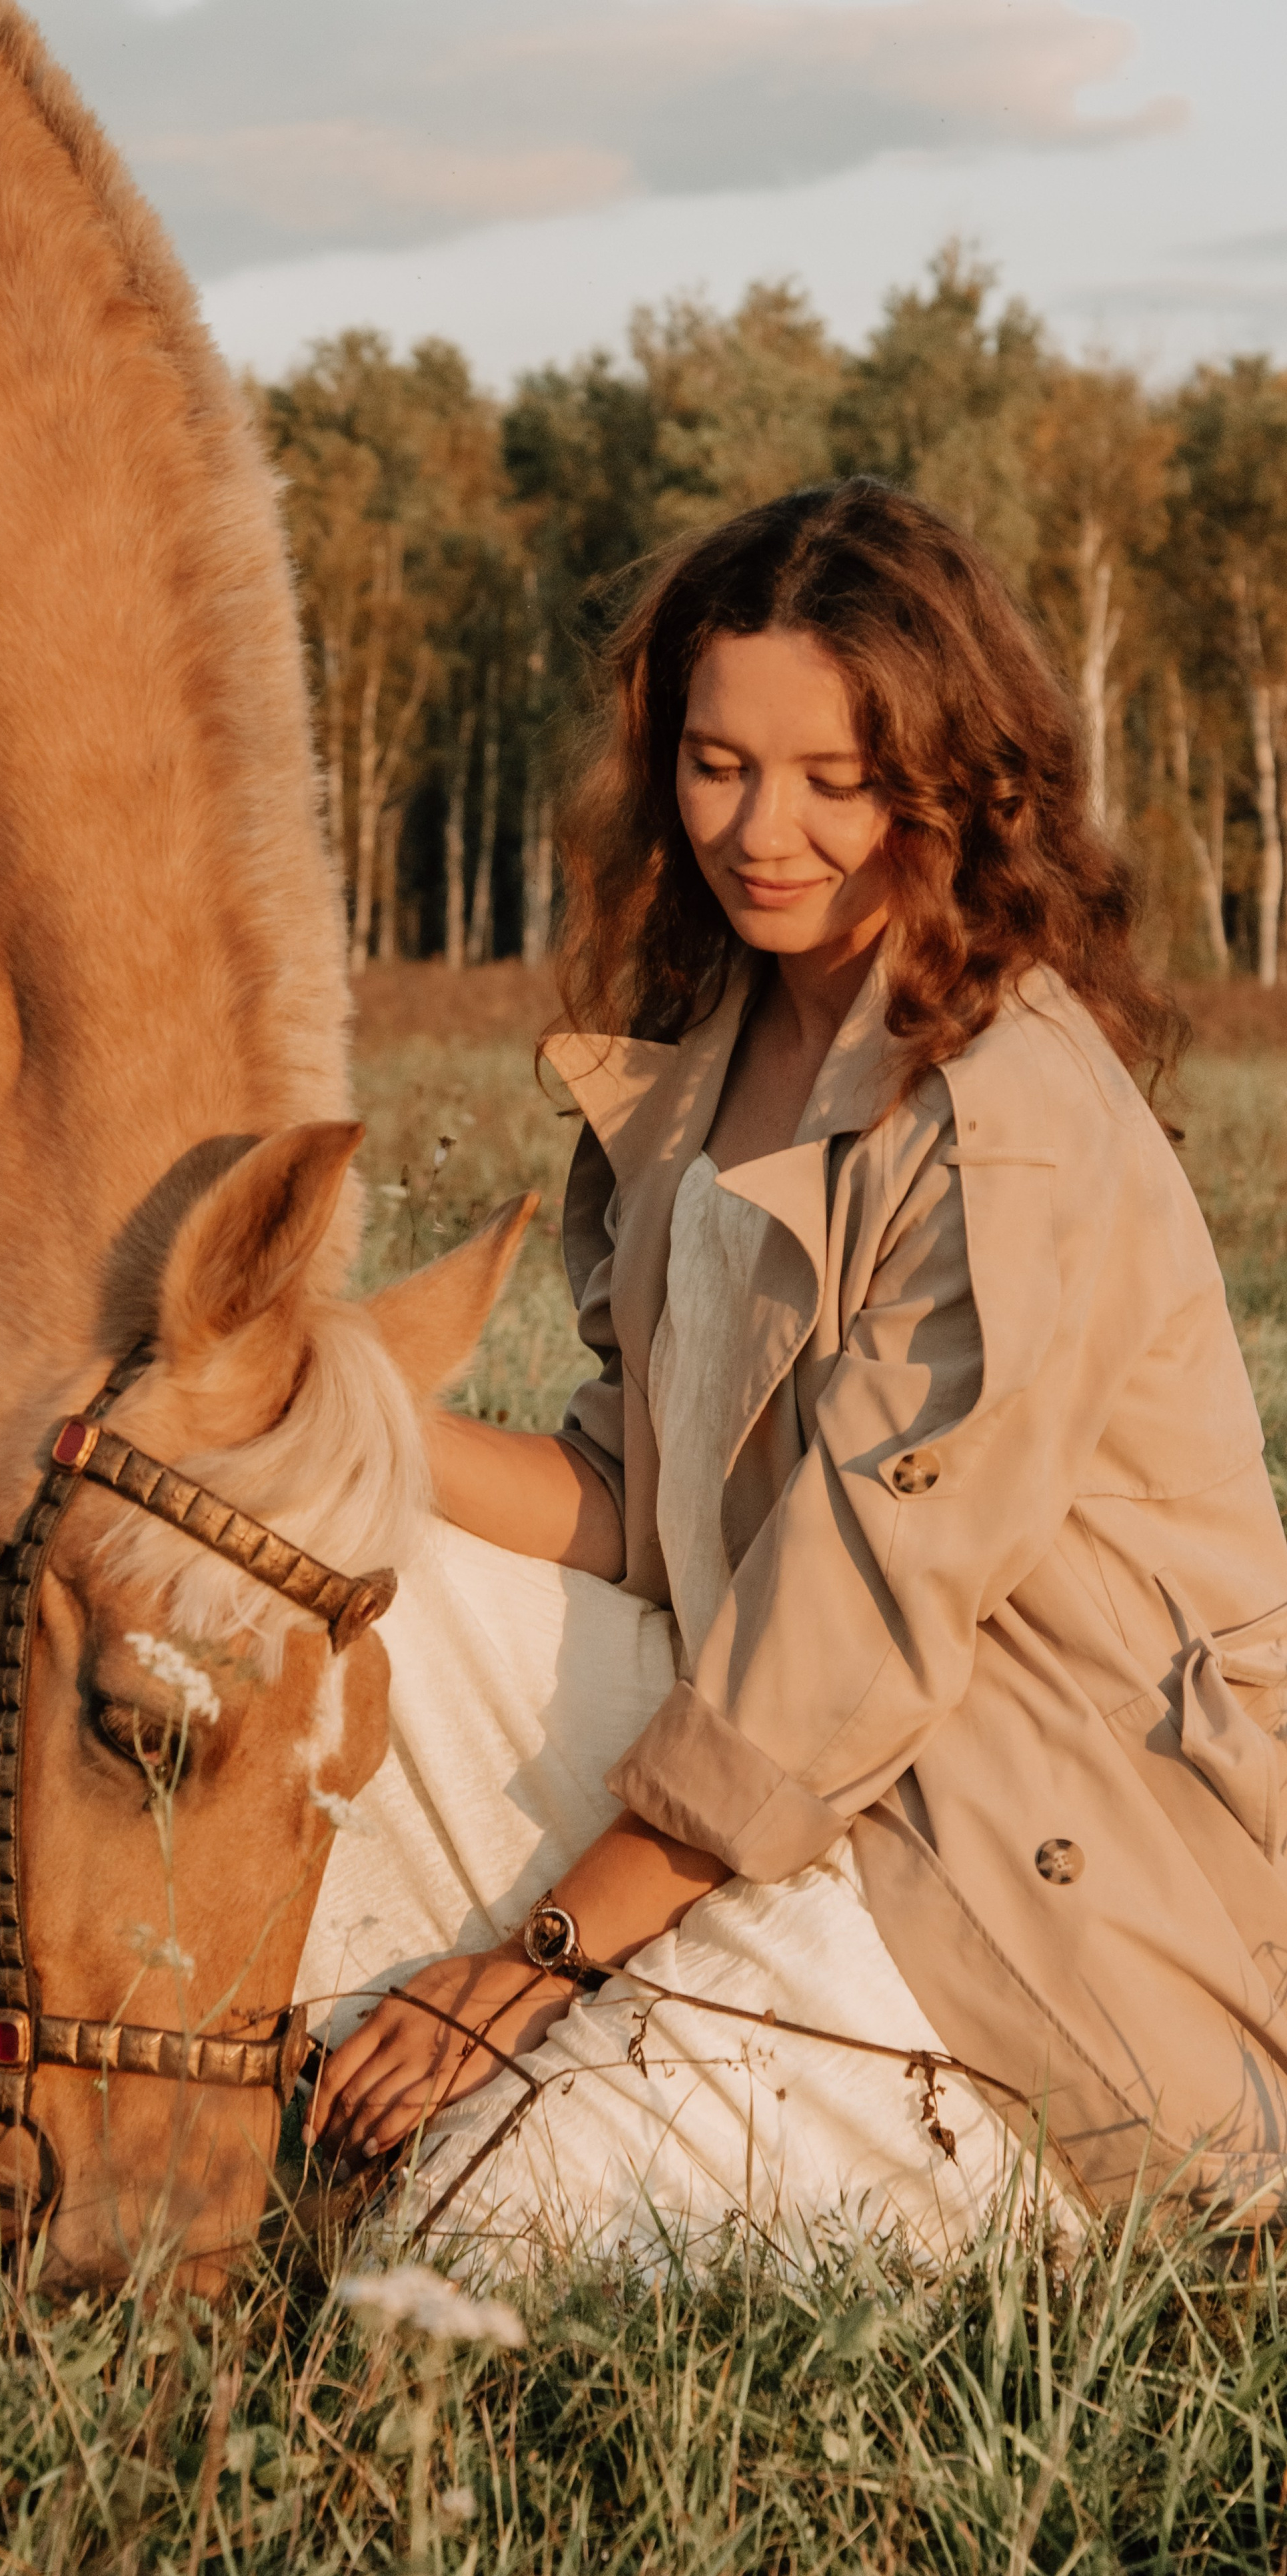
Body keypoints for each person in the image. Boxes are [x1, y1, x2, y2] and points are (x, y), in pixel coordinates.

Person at [295, 478, 1287, 2273]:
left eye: (840, 780)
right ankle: (274, 2051)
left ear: (957, 784)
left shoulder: (1009, 1122)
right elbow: (634, 1496)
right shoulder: (720, 1046)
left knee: (450, 2229)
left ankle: (1027, 2177)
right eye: (718, 762)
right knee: (349, 1566)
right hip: (782, 1758)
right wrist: (340, 1412)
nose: (766, 830)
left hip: (1006, 1853)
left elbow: (849, 1640)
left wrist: (522, 1971)